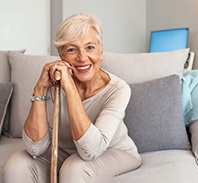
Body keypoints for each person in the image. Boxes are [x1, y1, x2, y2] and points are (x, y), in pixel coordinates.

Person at [4, 13, 142, 183]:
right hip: (65, 151)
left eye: (90, 47)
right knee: (16, 165)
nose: (82, 57)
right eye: (71, 49)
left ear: (101, 51)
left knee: (74, 168)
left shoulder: (118, 89)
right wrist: (40, 89)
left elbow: (90, 151)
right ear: (61, 55)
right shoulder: (52, 84)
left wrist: (70, 88)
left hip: (114, 152)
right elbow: (35, 148)